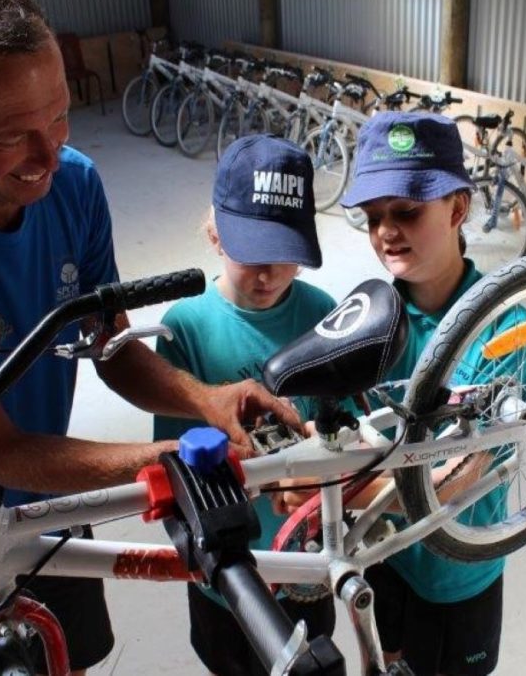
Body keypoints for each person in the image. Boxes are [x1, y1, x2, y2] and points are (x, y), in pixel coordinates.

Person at [0, 0, 299, 675]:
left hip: (52, 511)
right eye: (13, 134)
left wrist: (207, 400)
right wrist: (166, 458)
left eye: (60, 115)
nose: (49, 154)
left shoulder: (73, 185)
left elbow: (109, 344)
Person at [281, 111, 526, 676]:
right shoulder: (371, 314)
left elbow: (454, 479)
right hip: (387, 551)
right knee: (386, 658)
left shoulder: (503, 326)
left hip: (455, 574)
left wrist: (331, 488)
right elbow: (340, 421)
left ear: (459, 208)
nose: (386, 232)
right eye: (373, 217)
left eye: (407, 212)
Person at [153, 134, 338, 676]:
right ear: (214, 233)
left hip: (305, 563)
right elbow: (177, 463)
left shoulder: (323, 311)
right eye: (252, 253)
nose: (268, 274)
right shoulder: (185, 328)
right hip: (227, 574)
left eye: (285, 256)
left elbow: (345, 426)